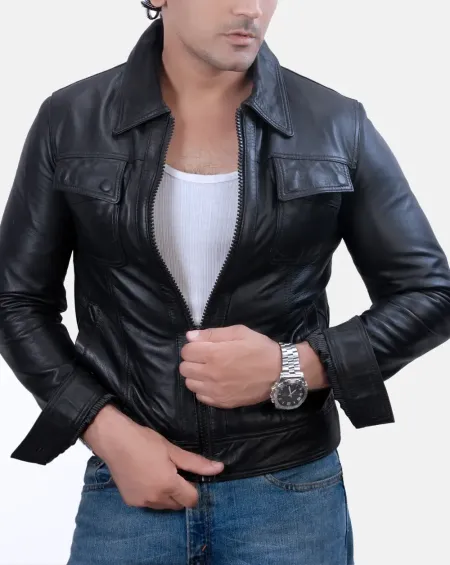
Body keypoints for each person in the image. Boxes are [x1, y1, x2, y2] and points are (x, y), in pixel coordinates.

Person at [1, 1, 449, 563]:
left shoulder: (336, 123)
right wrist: (105, 430)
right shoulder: (71, 119)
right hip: (130, 490)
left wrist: (293, 366)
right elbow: (16, 300)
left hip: (290, 496)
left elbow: (430, 294)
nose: (250, 9)